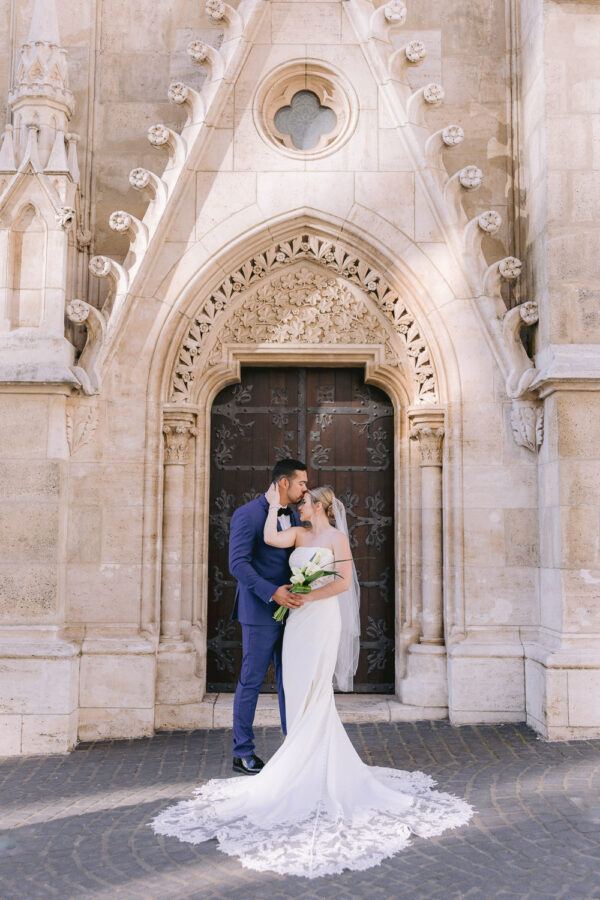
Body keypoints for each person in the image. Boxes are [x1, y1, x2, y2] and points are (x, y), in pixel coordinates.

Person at [151, 483, 473, 878]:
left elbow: (342, 583)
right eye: (298, 496)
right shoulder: (296, 532)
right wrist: (273, 507)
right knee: (294, 685)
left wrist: (307, 593)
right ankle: (292, 752)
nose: (299, 503)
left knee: (315, 687)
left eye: (304, 500)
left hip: (317, 616)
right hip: (295, 618)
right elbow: (269, 539)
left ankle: (307, 757)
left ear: (319, 506)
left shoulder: (337, 538)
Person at [227, 459, 308, 775]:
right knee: (251, 680)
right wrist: (273, 592)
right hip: (259, 612)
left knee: (291, 681)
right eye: (301, 483)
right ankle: (243, 752)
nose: (305, 489)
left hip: (293, 614)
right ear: (284, 483)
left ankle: (293, 748)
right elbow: (238, 564)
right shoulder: (247, 514)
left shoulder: (297, 517)